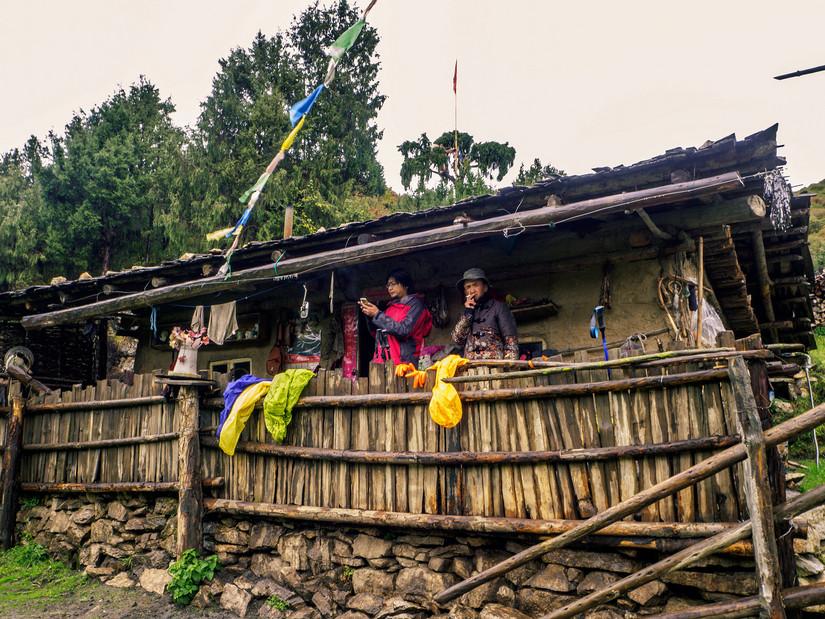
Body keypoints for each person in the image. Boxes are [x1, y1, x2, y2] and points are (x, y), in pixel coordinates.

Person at [359, 269, 433, 366]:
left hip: (403, 363)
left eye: (393, 284)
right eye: (388, 285)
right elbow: (376, 334)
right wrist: (370, 316)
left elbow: (404, 330)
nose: (389, 288)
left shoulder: (416, 305)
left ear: (405, 285)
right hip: (383, 362)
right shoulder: (390, 308)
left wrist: (377, 314)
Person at [451, 267, 519, 360]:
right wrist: (468, 315)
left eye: (475, 285)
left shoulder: (499, 307)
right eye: (468, 287)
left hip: (495, 367)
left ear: (485, 287)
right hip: (471, 368)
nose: (471, 290)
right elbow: (457, 340)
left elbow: (511, 342)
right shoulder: (466, 312)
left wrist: (508, 368)